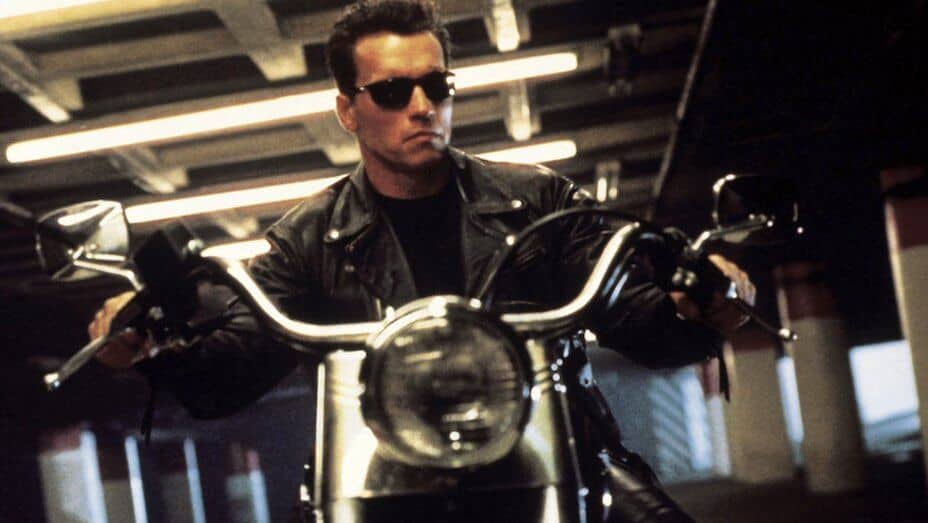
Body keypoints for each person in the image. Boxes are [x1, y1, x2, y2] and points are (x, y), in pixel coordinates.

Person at [89, 1, 754, 520]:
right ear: (348, 111)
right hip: (380, 475)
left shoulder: (539, 202)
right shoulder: (306, 239)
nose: (422, 107)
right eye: (392, 92)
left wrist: (695, 304)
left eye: (437, 86)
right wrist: (152, 344)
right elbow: (237, 362)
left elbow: (632, 312)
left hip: (553, 454)